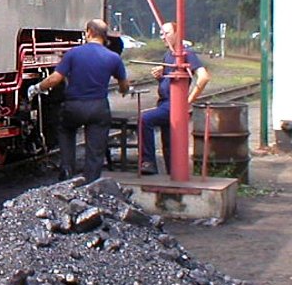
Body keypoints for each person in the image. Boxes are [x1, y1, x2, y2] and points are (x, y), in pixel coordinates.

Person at [28, 18, 130, 183]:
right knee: (95, 150)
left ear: (89, 32)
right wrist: (124, 90)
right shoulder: (113, 58)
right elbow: (124, 85)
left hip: (73, 106)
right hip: (98, 107)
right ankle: (91, 182)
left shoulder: (73, 53)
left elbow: (55, 79)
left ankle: (67, 171)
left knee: (65, 130)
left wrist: (37, 88)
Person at [139, 21, 211, 174]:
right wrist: (161, 75)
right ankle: (172, 173)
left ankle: (148, 162)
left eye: (166, 33)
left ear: (178, 34)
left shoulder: (187, 53)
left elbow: (203, 77)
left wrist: (188, 101)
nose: (162, 37)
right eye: (161, 34)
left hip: (173, 104)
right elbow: (169, 79)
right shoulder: (168, 55)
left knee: (145, 119)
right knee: (168, 144)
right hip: (164, 103)